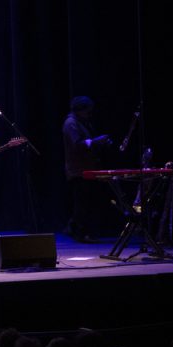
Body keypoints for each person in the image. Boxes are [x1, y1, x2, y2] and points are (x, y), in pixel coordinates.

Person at [62, 96, 112, 242]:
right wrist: (97, 141)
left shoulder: (81, 122)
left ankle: (79, 230)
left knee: (87, 202)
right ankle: (79, 233)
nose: (90, 114)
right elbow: (77, 145)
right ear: (80, 110)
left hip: (87, 169)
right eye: (87, 111)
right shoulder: (70, 123)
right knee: (82, 204)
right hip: (78, 170)